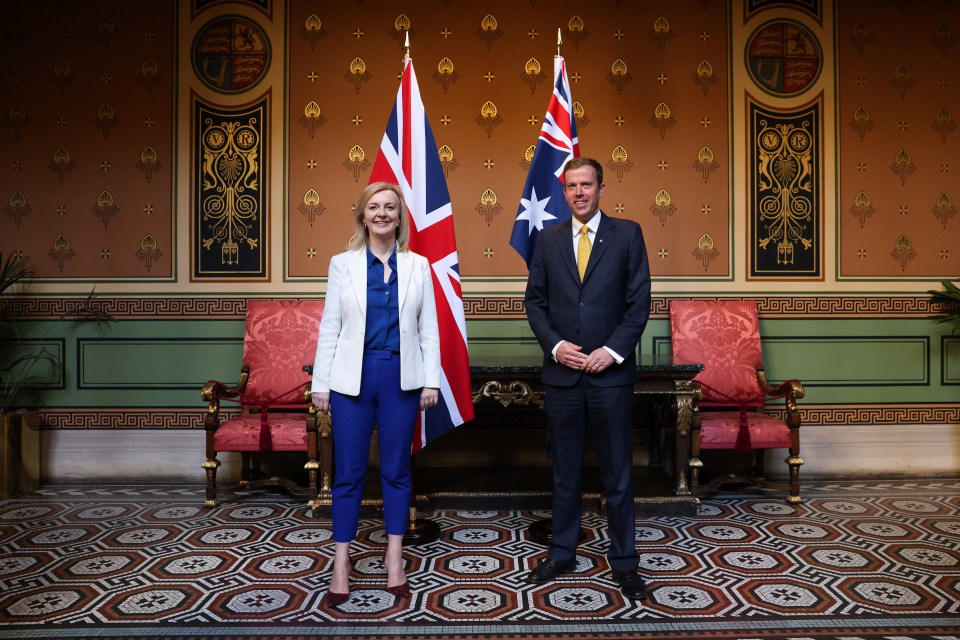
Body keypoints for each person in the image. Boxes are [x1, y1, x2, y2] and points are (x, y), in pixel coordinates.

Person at [523, 157, 652, 599]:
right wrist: (557, 347)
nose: (579, 192)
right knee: (565, 472)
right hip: (562, 377)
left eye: (587, 185)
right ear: (564, 191)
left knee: (617, 474)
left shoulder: (628, 234)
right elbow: (535, 303)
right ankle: (561, 553)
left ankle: (625, 563)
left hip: (610, 378)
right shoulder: (546, 239)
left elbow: (639, 304)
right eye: (572, 185)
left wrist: (612, 352)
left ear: (601, 188)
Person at [311, 182, 441, 608]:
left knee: (397, 471)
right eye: (374, 207)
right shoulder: (342, 264)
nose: (382, 213)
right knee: (347, 474)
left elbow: (428, 329)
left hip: (401, 376)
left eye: (390, 207)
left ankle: (394, 558)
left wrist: (431, 381)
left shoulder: (419, 265)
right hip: (352, 378)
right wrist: (321, 384)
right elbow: (330, 326)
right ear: (362, 215)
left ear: (400, 216)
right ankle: (342, 562)